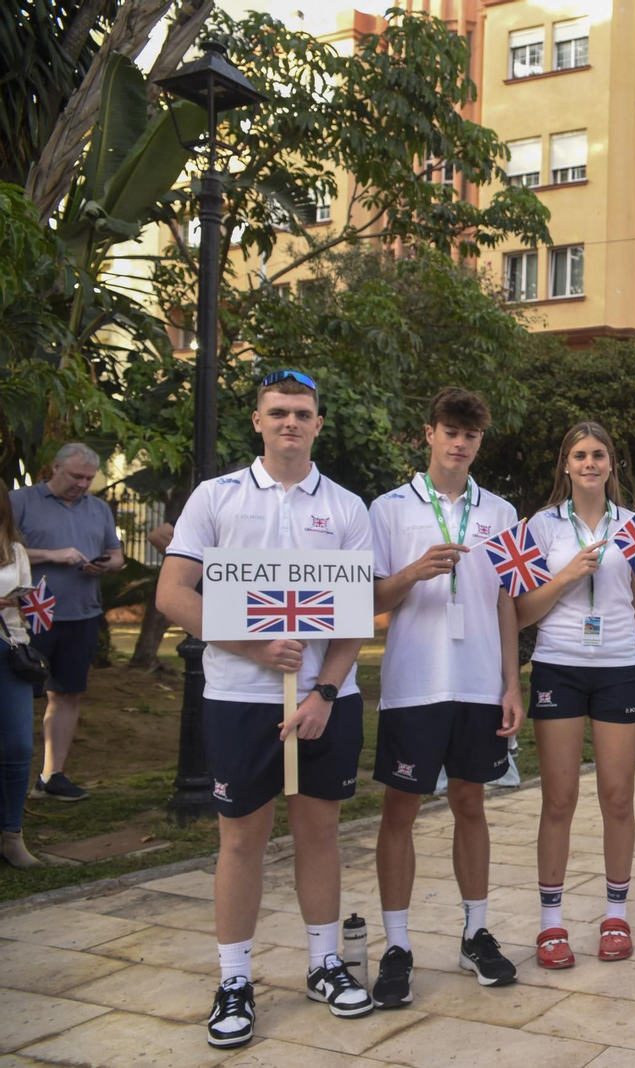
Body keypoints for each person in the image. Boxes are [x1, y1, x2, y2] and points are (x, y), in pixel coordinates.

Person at [156, 370, 375, 1047]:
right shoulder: (215, 497)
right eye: (278, 412)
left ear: (318, 422)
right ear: (256, 420)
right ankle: (233, 980)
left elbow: (354, 617)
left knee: (319, 834)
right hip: (238, 698)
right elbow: (172, 594)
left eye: (302, 413)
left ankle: (324, 963)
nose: (290, 423)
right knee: (242, 841)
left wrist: (323, 694)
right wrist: (255, 647)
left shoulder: (344, 507)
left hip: (322, 702)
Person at [366, 389, 524, 1007]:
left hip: (480, 681)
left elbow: (507, 602)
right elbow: (372, 599)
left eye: (471, 435)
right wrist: (412, 573)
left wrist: (512, 682)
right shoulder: (389, 508)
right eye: (450, 432)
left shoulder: (502, 512)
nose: (460, 443)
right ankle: (398, 944)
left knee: (471, 804)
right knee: (399, 812)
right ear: (428, 434)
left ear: (480, 442)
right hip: (414, 682)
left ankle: (475, 932)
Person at [512, 422, 635, 968]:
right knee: (559, 799)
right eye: (580, 455)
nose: (590, 463)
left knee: (618, 797)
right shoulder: (540, 527)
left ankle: (615, 915)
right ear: (566, 465)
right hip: (559, 669)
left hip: (621, 668)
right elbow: (522, 612)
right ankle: (551, 925)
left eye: (599, 454)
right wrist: (567, 576)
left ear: (611, 464)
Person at [9, 443, 124, 801]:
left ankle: (51, 776)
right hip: (27, 619)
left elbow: (118, 555)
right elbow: (3, 550)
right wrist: (50, 555)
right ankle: (10, 778)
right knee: (16, 696)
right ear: (54, 467)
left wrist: (106, 565)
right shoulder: (20, 501)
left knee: (68, 694)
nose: (82, 483)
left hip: (83, 615)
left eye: (88, 478)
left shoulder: (99, 508)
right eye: (76, 476)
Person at [1, 492, 56, 868]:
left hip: (9, 649)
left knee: (19, 746)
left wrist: (17, 602)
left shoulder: (14, 549)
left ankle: (11, 836)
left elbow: (25, 601)